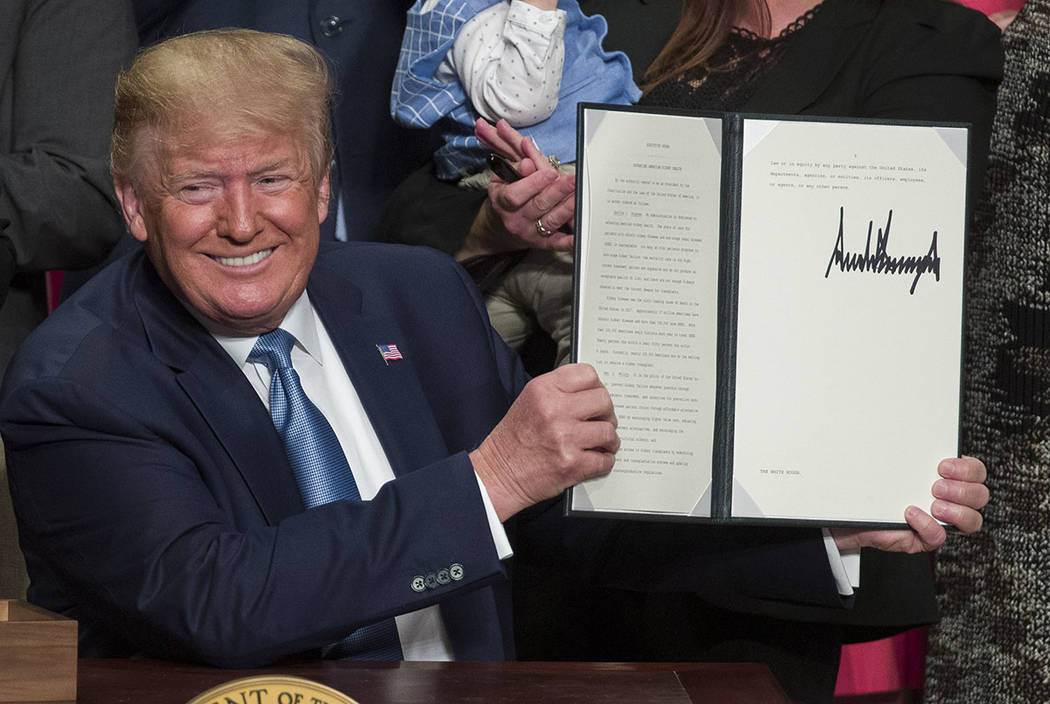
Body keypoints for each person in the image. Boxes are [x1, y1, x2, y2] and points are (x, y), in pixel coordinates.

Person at [0, 29, 986, 686]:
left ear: (325, 180)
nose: (244, 219)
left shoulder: (411, 294)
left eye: (272, 175)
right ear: (133, 205)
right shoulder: (75, 383)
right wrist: (491, 475)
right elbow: (224, 597)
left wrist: (826, 521)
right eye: (198, 187)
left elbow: (573, 521)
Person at [380, 0, 1002, 699]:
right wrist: (501, 222)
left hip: (749, 563)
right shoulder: (610, 17)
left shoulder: (920, 40)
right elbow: (402, 217)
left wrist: (651, 211)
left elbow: (894, 267)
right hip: (548, 526)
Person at [392, 0, 638, 366]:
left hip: (555, 188)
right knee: (603, 337)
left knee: (471, 364)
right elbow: (520, 102)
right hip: (548, 185)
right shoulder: (471, 11)